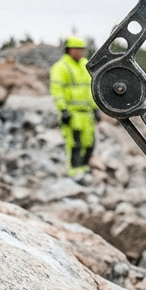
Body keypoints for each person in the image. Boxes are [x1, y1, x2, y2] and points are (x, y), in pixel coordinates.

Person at [49, 36, 96, 181]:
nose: (82, 52)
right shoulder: (60, 67)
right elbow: (57, 90)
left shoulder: (85, 65)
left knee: (89, 143)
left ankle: (83, 169)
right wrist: (63, 110)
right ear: (70, 50)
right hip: (72, 113)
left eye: (83, 49)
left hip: (87, 113)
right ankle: (74, 173)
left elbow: (91, 88)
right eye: (79, 49)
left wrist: (96, 108)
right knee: (74, 144)